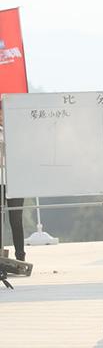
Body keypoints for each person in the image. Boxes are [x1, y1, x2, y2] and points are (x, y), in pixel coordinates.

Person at [0, 100, 25, 261]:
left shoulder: (16, 132)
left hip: (15, 181)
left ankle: (20, 256)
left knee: (16, 220)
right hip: (0, 181)